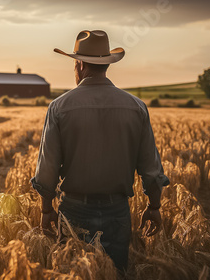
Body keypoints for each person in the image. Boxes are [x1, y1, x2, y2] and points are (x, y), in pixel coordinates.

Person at [30, 30, 170, 273]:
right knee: (115, 272)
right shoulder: (136, 107)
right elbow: (151, 168)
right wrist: (154, 207)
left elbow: (47, 169)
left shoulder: (59, 107)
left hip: (74, 210)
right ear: (106, 65)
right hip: (117, 211)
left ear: (80, 64)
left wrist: (46, 210)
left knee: (72, 274)